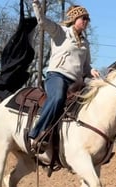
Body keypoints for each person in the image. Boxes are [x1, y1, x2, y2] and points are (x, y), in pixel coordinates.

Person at [29, 0, 100, 153]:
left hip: (76, 81)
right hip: (57, 76)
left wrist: (92, 71)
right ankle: (36, 133)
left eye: (88, 19)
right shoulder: (60, 32)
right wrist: (36, 4)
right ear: (74, 19)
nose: (86, 22)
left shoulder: (85, 43)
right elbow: (42, 21)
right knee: (58, 97)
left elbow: (86, 66)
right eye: (83, 18)